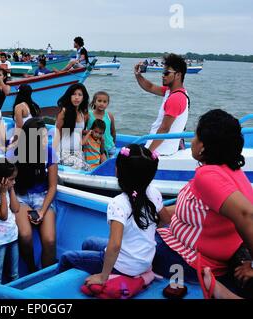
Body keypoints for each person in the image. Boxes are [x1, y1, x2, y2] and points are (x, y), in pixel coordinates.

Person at [153, 109, 253, 298]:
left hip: (189, 260)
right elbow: (196, 209)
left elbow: (247, 214)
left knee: (92, 246)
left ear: (204, 147)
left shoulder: (207, 176)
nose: (192, 140)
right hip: (177, 245)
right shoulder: (231, 171)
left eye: (196, 135)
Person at [57, 144, 165, 299]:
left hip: (124, 266)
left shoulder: (119, 203)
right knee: (89, 242)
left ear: (118, 171)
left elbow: (114, 246)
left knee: (67, 257)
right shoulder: (154, 193)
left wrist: (103, 276)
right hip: (144, 262)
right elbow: (164, 220)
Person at [0, 118, 58, 273]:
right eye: (42, 137)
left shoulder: (49, 152)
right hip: (20, 197)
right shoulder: (15, 152)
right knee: (25, 235)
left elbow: (52, 186)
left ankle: (47, 275)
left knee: (49, 240)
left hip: (42, 197)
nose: (46, 140)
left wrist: (42, 211)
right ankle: (31, 269)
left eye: (46, 136)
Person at [134, 53, 189, 156]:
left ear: (178, 75)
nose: (163, 75)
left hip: (160, 152)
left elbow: (164, 128)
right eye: (163, 72)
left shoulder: (176, 98)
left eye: (166, 72)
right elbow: (150, 87)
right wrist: (138, 75)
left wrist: (148, 153)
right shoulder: (172, 92)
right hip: (160, 148)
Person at [54, 83, 90, 171]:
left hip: (77, 152)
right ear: (69, 96)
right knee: (86, 168)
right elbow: (57, 133)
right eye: (74, 94)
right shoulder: (64, 112)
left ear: (83, 97)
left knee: (89, 166)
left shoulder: (83, 113)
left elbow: (78, 133)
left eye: (80, 95)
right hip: (64, 153)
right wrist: (54, 155)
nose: (76, 97)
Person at [86, 91, 116, 158]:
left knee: (110, 165)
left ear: (107, 104)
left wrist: (113, 144)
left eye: (104, 102)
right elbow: (84, 130)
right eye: (99, 101)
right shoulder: (89, 115)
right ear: (94, 102)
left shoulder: (109, 116)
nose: (102, 104)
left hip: (109, 147)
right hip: (94, 148)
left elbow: (113, 131)